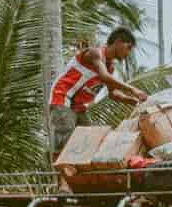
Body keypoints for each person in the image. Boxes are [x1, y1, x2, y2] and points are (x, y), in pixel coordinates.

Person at [46, 27, 148, 163]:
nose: (128, 53)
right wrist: (133, 90)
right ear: (118, 42)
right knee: (64, 140)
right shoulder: (95, 53)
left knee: (89, 141)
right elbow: (104, 77)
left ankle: (74, 179)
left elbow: (114, 94)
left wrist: (134, 101)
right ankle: (60, 181)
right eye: (128, 47)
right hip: (63, 97)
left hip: (78, 106)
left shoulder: (109, 67)